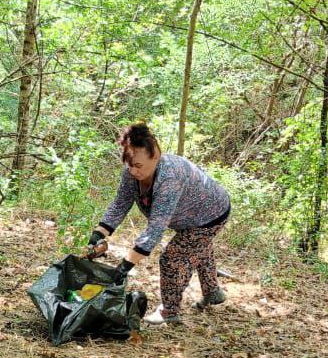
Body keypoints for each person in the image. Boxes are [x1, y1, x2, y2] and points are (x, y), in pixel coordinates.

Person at [88, 123, 231, 325]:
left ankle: (169, 312)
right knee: (197, 248)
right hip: (188, 217)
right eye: (129, 164)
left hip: (211, 214)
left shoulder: (169, 178)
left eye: (138, 166)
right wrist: (100, 232)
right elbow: (121, 203)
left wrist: (125, 266)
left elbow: (155, 229)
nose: (133, 171)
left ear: (155, 156)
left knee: (173, 258)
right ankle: (213, 292)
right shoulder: (131, 172)